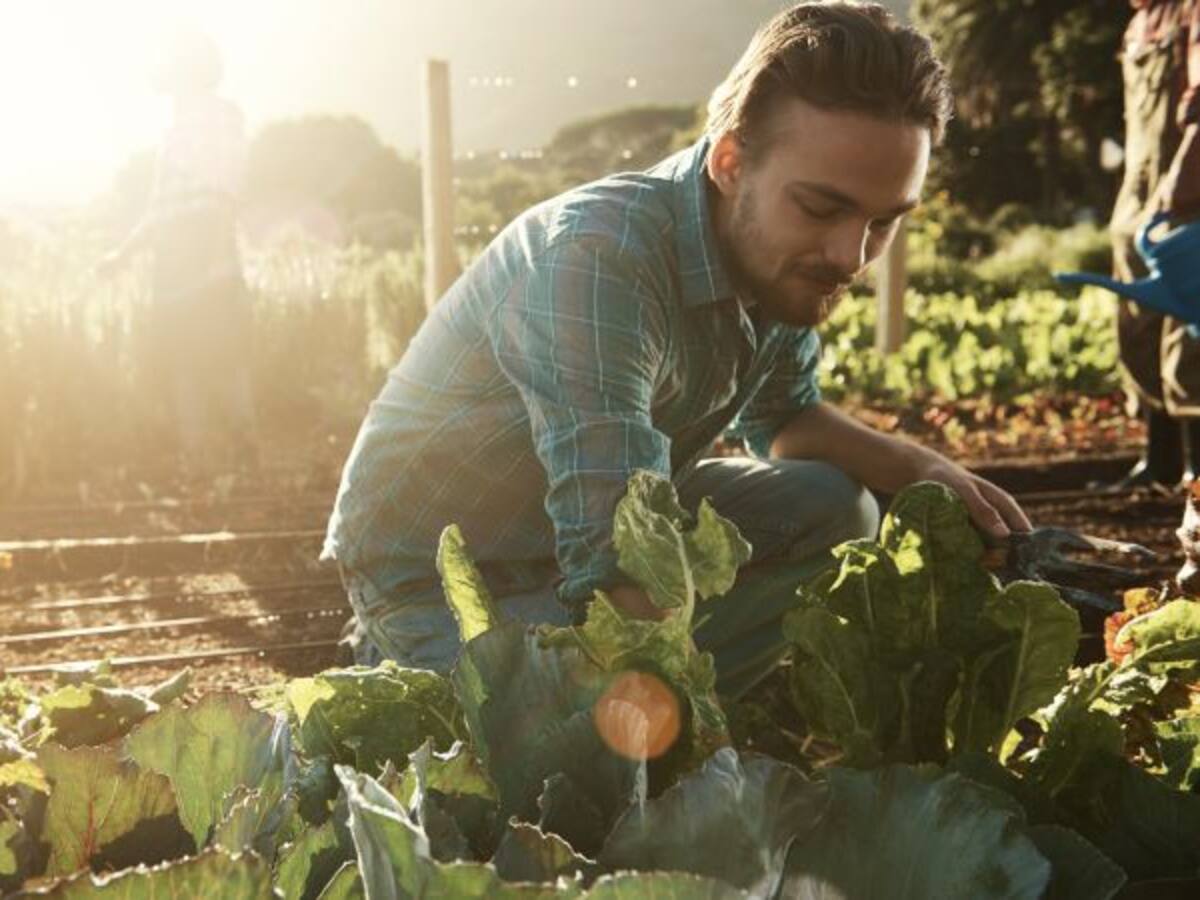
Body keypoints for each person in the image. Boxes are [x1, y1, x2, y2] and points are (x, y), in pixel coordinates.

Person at [323, 2, 1031, 699]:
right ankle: (404, 663)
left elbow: (785, 421)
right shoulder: (599, 259)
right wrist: (682, 731)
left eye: (883, 222)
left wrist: (926, 469)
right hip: (447, 582)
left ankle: (642, 706)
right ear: (730, 163)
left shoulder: (779, 262)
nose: (851, 255)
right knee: (552, 740)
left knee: (836, 508)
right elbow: (616, 558)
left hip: (580, 546)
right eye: (821, 208)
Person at [99, 28, 258, 482]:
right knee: (201, 359)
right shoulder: (194, 126)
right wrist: (123, 254)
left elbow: (214, 193)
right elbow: (166, 206)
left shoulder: (207, 122)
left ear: (185, 72)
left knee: (207, 359)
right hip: (188, 255)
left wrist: (211, 257)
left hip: (197, 251)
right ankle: (215, 462)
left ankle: (225, 460)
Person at [1107, 0, 1200, 488]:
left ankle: (1195, 468)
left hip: (1185, 188)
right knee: (1137, 323)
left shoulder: (1190, 12)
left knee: (1186, 330)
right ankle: (1158, 459)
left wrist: (1185, 175)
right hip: (1138, 190)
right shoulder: (1138, 24)